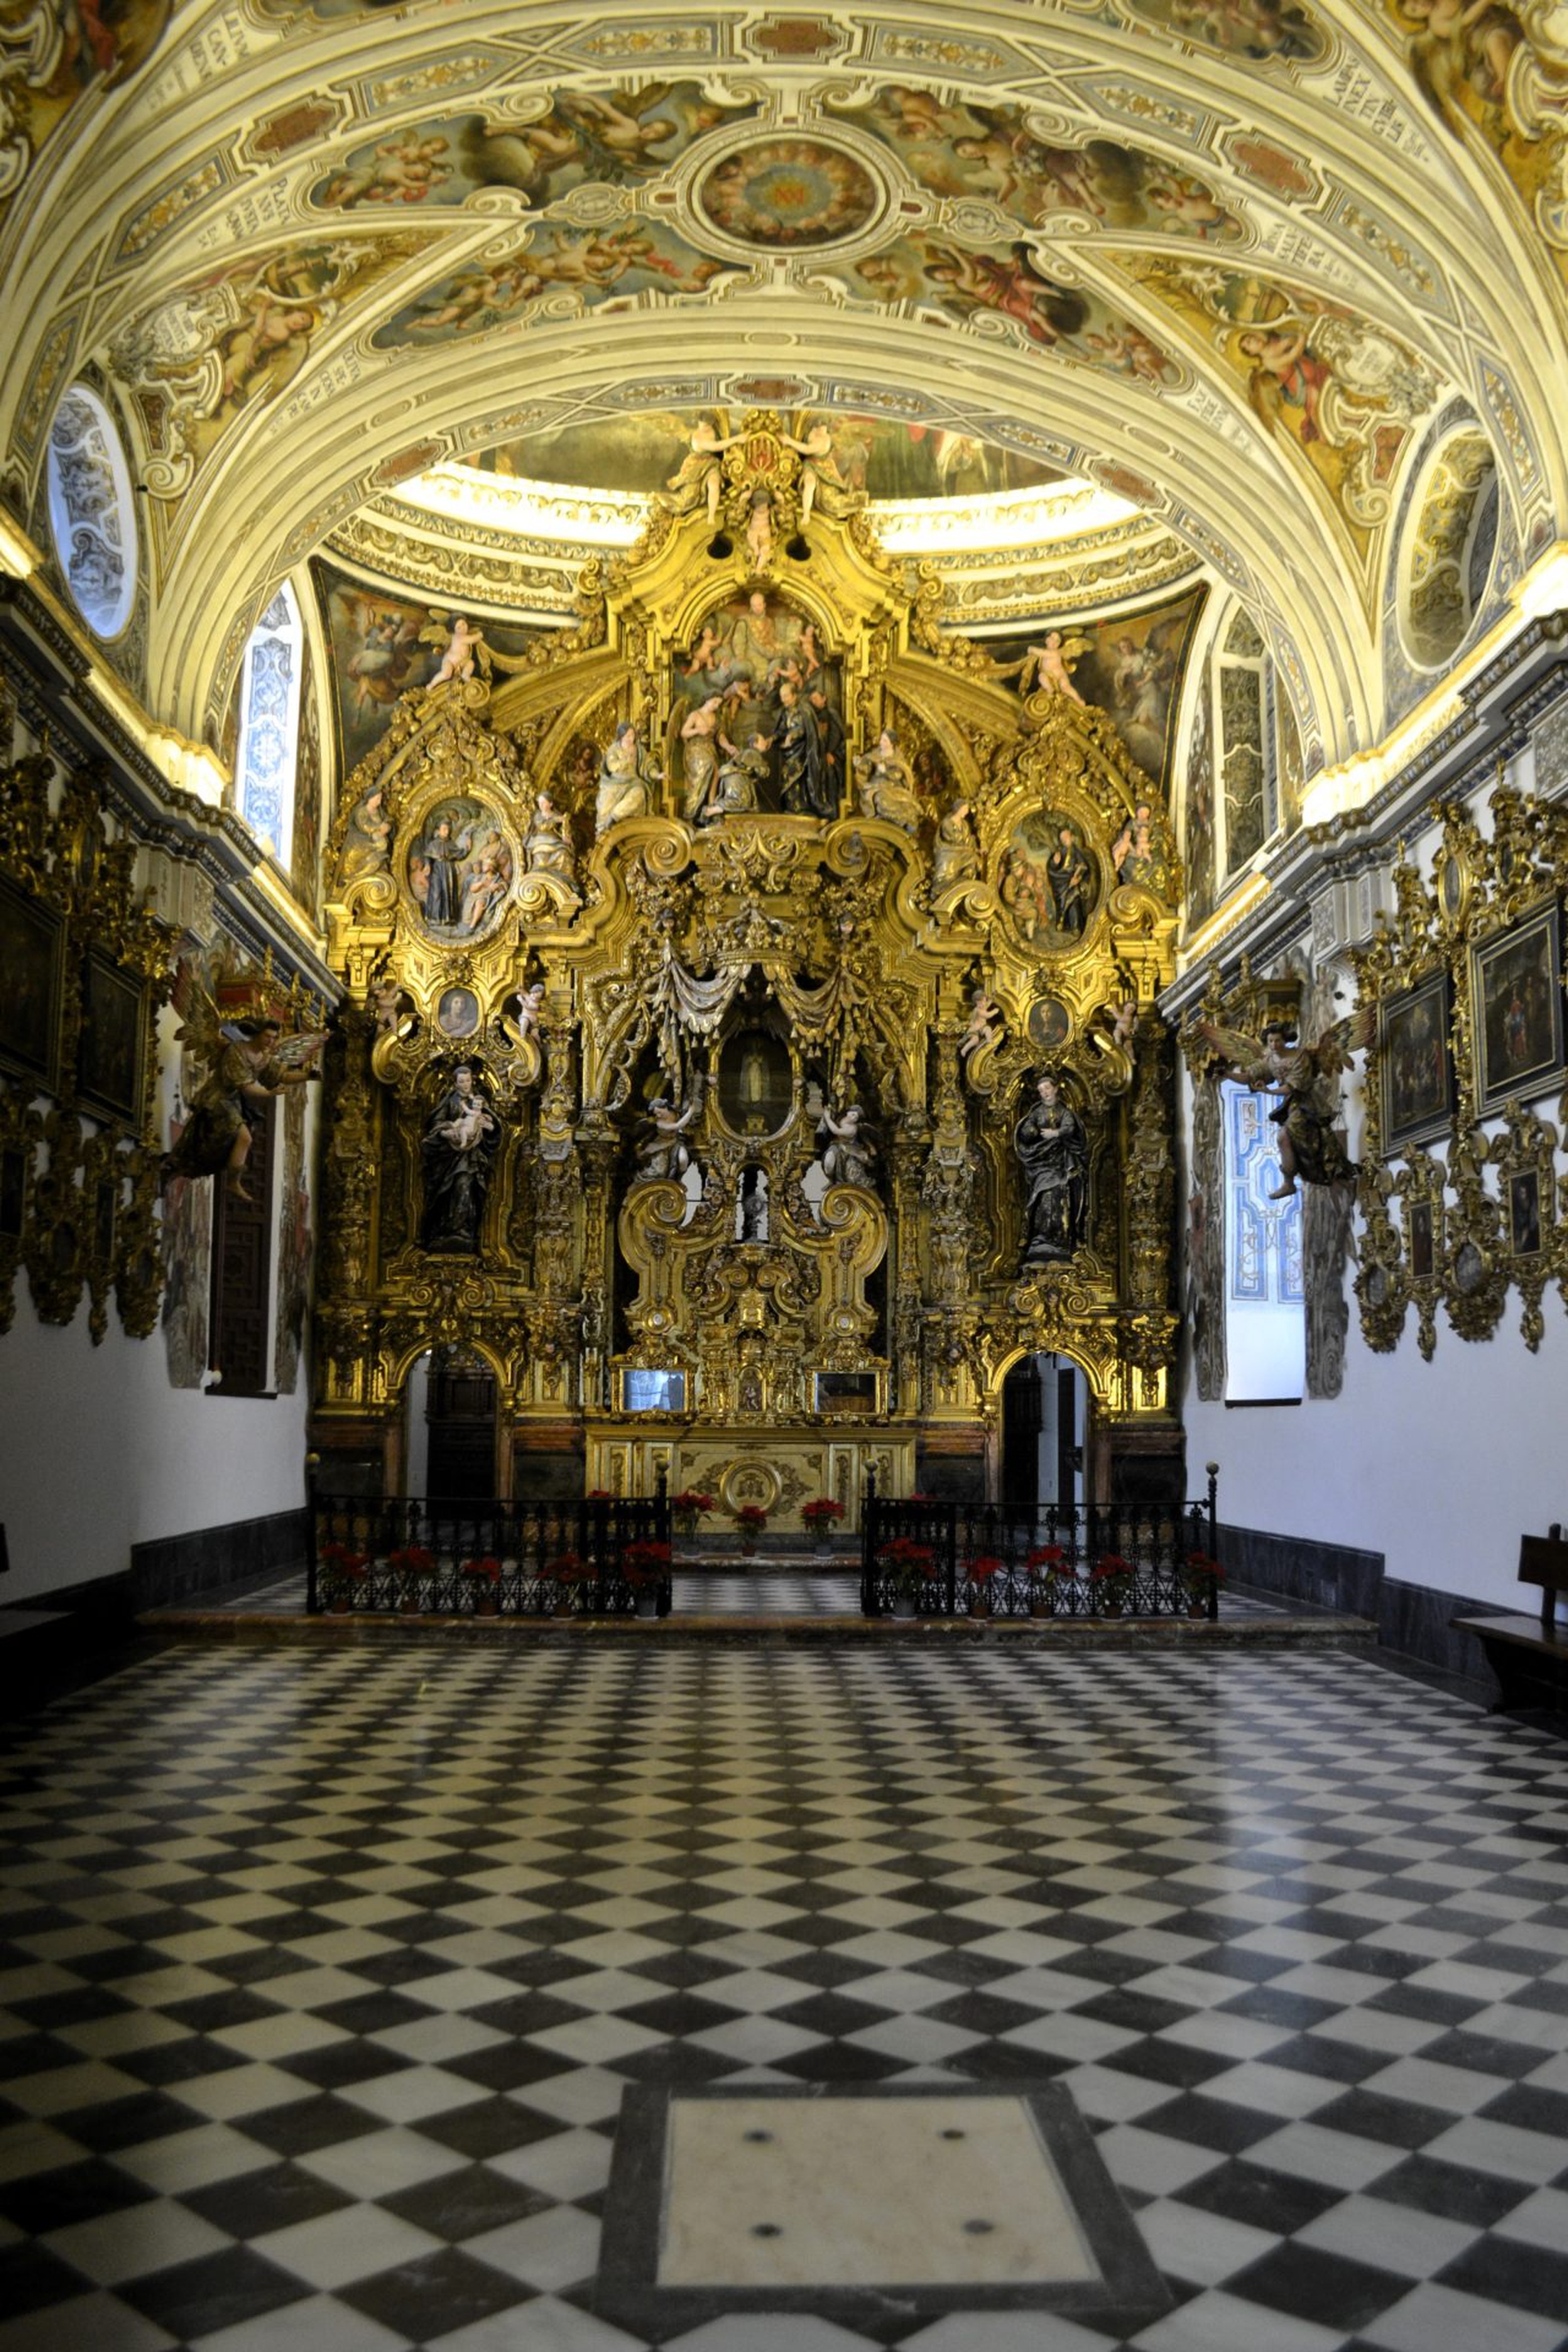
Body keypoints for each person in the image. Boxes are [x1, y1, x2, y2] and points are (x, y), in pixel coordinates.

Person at [161, 1018, 321, 1201]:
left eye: (274, 1038)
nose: (271, 1041)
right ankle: (232, 1182)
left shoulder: (264, 1058)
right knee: (243, 1138)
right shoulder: (236, 1051)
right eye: (267, 1036)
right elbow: (246, 1087)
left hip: (233, 1103)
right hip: (217, 1100)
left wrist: (307, 1076)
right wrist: (269, 1093)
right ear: (257, 1034)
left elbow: (281, 1075)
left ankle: (219, 1176)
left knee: (218, 1148)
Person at [1196, 1015, 1359, 1195]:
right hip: (1293, 1105)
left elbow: (1292, 1087)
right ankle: (1291, 1183)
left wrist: (1269, 1092)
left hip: (1309, 1104)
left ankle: (1300, 1182)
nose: (1274, 1045)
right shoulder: (1270, 1059)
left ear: (1285, 1040)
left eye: (1278, 1040)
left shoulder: (1300, 1057)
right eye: (1271, 1041)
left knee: (1289, 1138)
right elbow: (1249, 1077)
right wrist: (1227, 1074)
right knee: (1289, 1142)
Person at [420, 1066, 499, 1252]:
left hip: (470, 1157)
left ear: (473, 1080)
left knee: (465, 1185)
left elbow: (492, 1126)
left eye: (468, 1080)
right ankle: (445, 1230)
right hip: (448, 1157)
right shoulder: (450, 1101)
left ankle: (463, 1229)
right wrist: (447, 1132)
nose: (465, 1085)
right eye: (461, 1082)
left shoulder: (478, 1102)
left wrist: (488, 1126)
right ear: (455, 1083)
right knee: (445, 1191)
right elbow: (436, 1125)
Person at [1015, 1075, 1088, 1266]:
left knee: (1060, 1198)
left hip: (1061, 1164)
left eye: (1047, 1088)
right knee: (1042, 1197)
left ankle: (1059, 1238)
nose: (1044, 1093)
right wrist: (1029, 1130)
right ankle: (1040, 1236)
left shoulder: (1064, 1112)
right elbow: (1026, 1129)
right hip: (1041, 1164)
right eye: (1041, 1091)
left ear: (1055, 1089)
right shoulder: (1037, 1112)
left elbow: (1070, 1127)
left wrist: (1055, 1133)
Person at [595, 720, 659, 831]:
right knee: (604, 803)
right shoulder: (614, 749)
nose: (631, 738)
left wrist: (657, 775)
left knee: (639, 795)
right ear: (621, 736)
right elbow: (611, 766)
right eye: (628, 736)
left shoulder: (639, 749)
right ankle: (602, 832)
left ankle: (614, 817)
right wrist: (625, 762)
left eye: (633, 735)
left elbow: (648, 764)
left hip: (633, 782)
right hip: (614, 783)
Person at [1045, 823, 1094, 934]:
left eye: (1066, 837)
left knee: (1074, 901)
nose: (1064, 840)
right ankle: (1063, 923)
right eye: (1062, 839)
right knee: (1063, 902)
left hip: (1075, 882)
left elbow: (1085, 867)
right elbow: (1052, 869)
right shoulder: (1060, 852)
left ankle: (1075, 926)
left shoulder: (1077, 852)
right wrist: (1054, 863)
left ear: (1071, 837)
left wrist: (1079, 878)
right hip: (1061, 883)